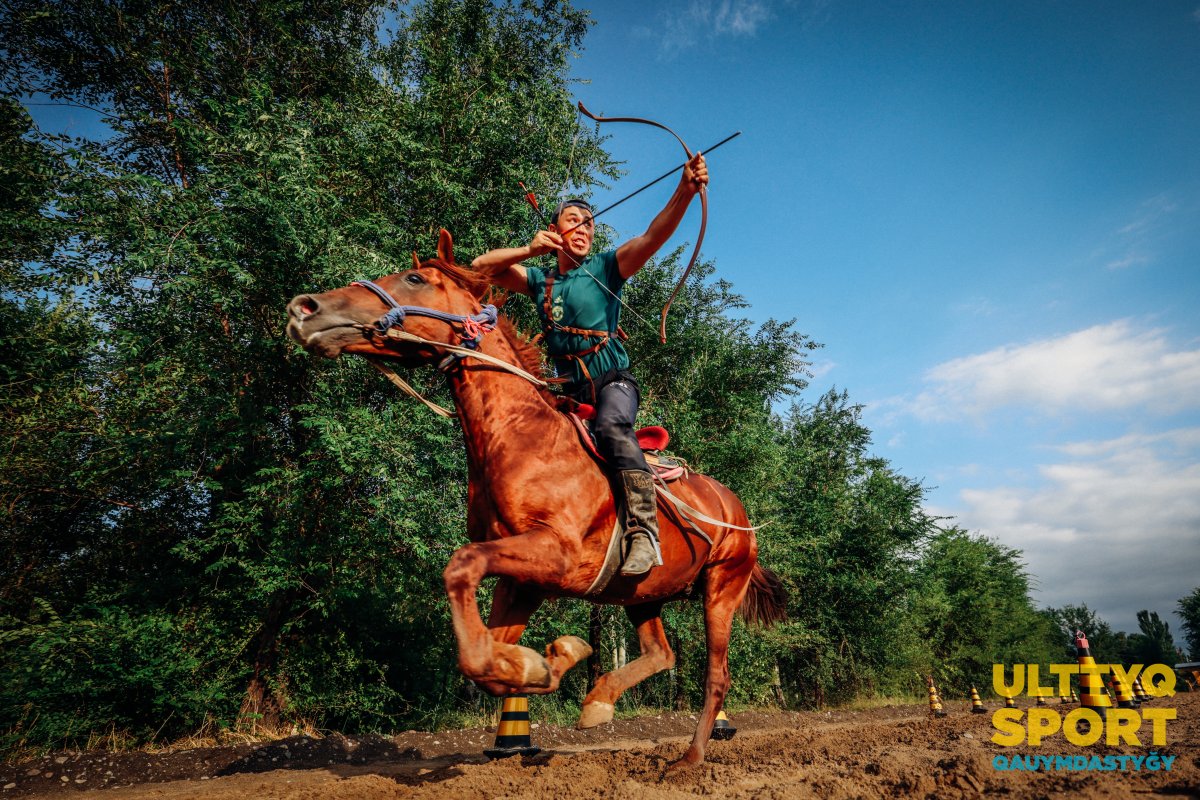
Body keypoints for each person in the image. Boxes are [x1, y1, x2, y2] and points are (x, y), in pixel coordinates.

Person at [471, 152, 709, 576]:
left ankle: (643, 532)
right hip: (568, 391)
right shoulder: (541, 279)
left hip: (612, 382)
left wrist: (685, 190)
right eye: (573, 221)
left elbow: (654, 236)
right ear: (554, 230)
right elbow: (479, 269)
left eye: (589, 223)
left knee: (613, 427)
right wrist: (528, 249)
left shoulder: (606, 267)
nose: (583, 229)